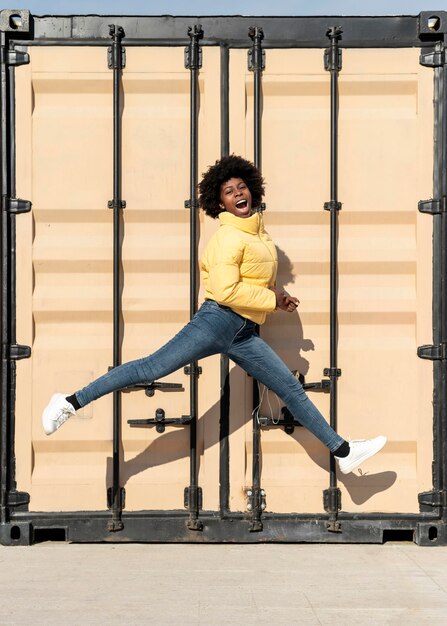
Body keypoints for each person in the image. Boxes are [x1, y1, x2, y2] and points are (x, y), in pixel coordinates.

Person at [42, 155, 386, 475]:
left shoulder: (259, 234)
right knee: (150, 367)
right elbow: (226, 292)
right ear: (219, 202)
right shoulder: (227, 238)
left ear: (253, 190)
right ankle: (70, 402)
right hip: (217, 320)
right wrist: (269, 298)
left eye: (241, 187)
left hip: (245, 331)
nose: (238, 193)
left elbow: (257, 277)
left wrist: (279, 297)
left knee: (291, 391)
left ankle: (343, 452)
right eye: (228, 191)